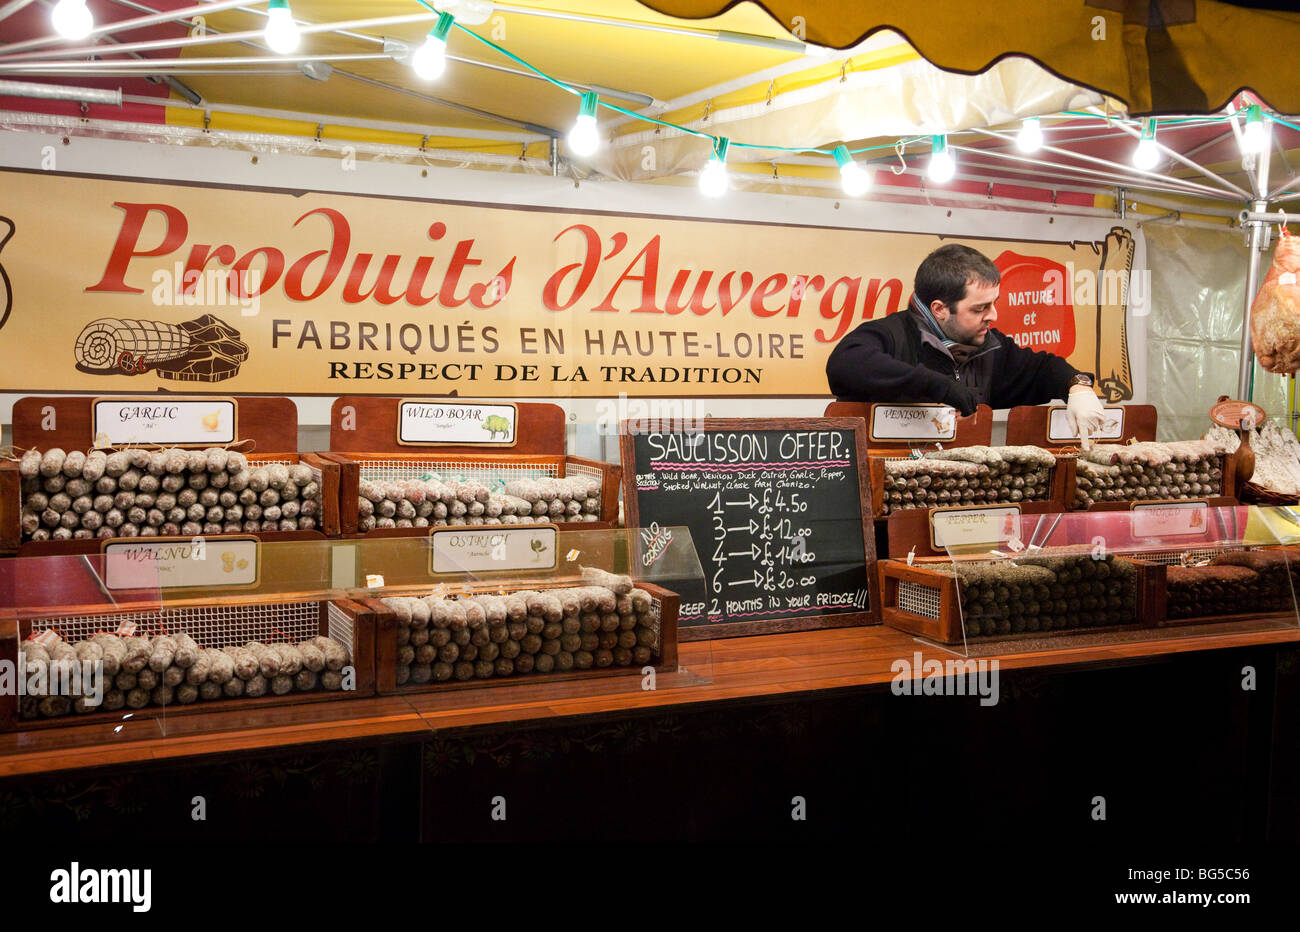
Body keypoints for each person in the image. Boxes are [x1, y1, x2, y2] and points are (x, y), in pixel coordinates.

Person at [825, 243, 1107, 437]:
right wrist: (939, 386)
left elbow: (1042, 369)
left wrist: (1078, 387)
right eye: (979, 308)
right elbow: (846, 364)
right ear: (939, 309)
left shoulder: (991, 347)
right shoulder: (890, 335)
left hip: (961, 499)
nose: (993, 315)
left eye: (993, 303)